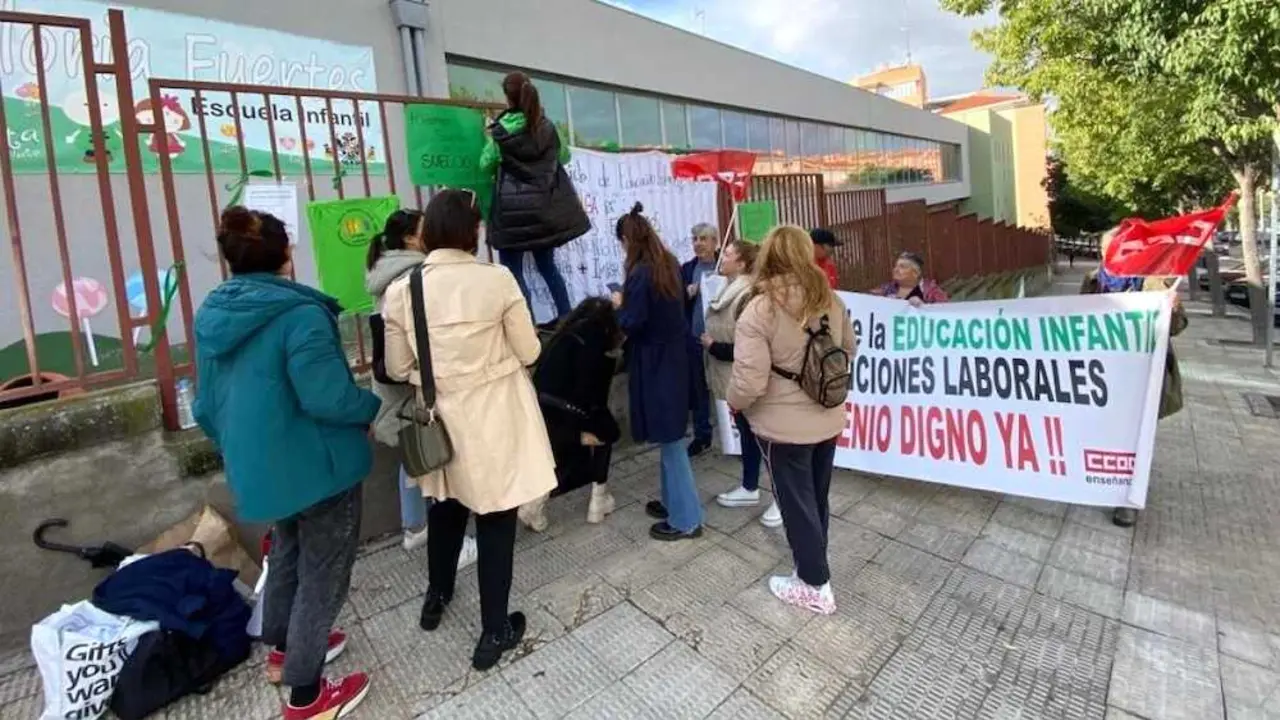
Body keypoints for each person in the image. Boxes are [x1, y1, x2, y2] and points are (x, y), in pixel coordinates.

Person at [193, 207, 379, 719]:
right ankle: (307, 694)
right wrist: (370, 407)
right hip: (319, 468)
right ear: (285, 255)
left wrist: (244, 447)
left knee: (289, 553)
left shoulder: (213, 317)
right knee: (325, 571)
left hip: (259, 470)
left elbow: (204, 408)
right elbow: (327, 396)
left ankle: (282, 649)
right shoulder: (299, 315)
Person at [382, 189, 557, 670]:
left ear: (428, 234)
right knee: (496, 518)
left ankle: (436, 597)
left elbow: (397, 367)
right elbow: (530, 351)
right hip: (496, 417)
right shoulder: (497, 280)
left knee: (446, 508)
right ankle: (493, 631)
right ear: (474, 232)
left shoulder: (404, 290)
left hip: (439, 417)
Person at [727, 225, 856, 615]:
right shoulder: (828, 298)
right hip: (828, 417)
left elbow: (749, 379)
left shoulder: (760, 308)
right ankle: (815, 567)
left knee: (794, 504)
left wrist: (735, 404)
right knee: (815, 499)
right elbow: (848, 349)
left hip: (782, 428)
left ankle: (815, 585)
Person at [365, 209, 479, 567]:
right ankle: (456, 543)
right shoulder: (415, 275)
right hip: (416, 381)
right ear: (413, 239)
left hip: (391, 385)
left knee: (414, 453)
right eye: (425, 229)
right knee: (437, 457)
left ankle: (414, 528)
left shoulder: (383, 274)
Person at [612, 202, 705, 541]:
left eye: (621, 242)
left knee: (672, 442)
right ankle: (672, 503)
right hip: (674, 358)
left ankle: (687, 519)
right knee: (672, 436)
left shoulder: (640, 274)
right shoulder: (667, 263)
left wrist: (619, 306)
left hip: (656, 363)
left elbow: (633, 322)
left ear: (627, 239)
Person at [1082, 229, 1187, 528]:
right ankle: (1105, 483)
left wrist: (1174, 308)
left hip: (1142, 376)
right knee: (1107, 435)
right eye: (1108, 249)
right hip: (1105, 374)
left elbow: (1178, 327)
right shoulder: (1093, 280)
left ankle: (1127, 501)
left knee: (1136, 440)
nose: (1113, 255)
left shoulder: (1152, 281)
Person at [481, 71, 590, 323]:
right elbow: (564, 157)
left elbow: (484, 164)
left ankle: (528, 328)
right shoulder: (548, 127)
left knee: (514, 273)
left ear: (507, 99)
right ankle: (566, 318)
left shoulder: (500, 132)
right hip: (544, 209)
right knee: (548, 267)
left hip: (512, 214)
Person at [533, 297, 624, 526]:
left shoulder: (562, 336)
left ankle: (534, 504)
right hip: (568, 413)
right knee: (607, 434)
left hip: (541, 409)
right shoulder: (597, 345)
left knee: (564, 446)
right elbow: (594, 397)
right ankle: (598, 500)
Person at [700, 239, 772, 520]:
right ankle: (750, 486)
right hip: (734, 378)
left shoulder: (748, 295)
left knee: (765, 439)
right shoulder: (730, 289)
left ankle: (781, 497)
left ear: (741, 263)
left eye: (728, 254)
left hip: (748, 378)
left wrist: (714, 347)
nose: (722, 257)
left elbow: (750, 344)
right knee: (747, 433)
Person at [680, 222, 719, 456]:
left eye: (703, 238)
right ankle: (702, 435)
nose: (698, 243)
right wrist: (687, 292)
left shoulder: (725, 266)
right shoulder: (687, 269)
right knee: (698, 389)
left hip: (721, 340)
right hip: (695, 339)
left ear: (715, 241)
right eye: (694, 239)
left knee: (726, 387)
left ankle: (737, 435)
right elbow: (677, 299)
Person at [873, 251, 949, 306]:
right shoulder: (886, 289)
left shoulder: (932, 292)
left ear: (915, 273)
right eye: (896, 266)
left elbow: (944, 313)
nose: (896, 269)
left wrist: (924, 307)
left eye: (902, 267)